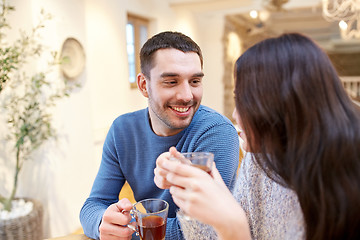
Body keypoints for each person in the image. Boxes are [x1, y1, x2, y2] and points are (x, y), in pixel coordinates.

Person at [155, 33, 360, 240]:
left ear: (279, 105)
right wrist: (201, 195)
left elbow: (237, 230)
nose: (235, 115)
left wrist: (234, 229)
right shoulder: (259, 159)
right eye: (171, 81)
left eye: (243, 101)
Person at [79, 31, 240, 240]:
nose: (186, 96)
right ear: (144, 85)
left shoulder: (217, 131)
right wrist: (103, 222)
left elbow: (204, 229)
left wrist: (130, 228)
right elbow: (93, 206)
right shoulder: (122, 130)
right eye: (171, 82)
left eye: (194, 81)